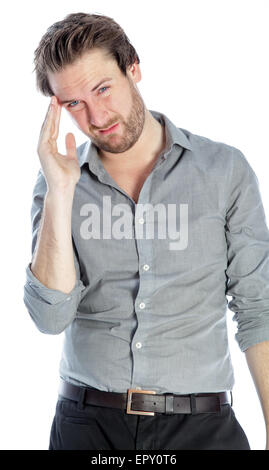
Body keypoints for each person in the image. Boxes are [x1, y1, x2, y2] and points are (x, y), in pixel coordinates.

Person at [23, 12, 269, 451]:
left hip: (203, 429)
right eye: (74, 103)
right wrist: (61, 190)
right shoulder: (57, 182)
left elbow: (258, 308)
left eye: (102, 89)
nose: (96, 116)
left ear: (132, 67)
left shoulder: (225, 170)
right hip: (87, 426)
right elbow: (49, 318)